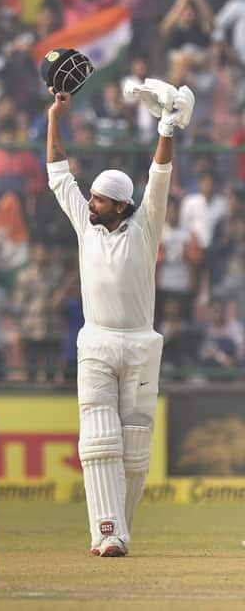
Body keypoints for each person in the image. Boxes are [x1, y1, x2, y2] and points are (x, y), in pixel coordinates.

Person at [46, 80, 194, 556]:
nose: (90, 203)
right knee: (99, 439)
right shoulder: (85, 224)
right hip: (97, 342)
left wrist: (167, 128)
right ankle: (105, 531)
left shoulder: (145, 225)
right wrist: (55, 117)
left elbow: (160, 176)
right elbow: (56, 175)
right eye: (90, 197)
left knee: (133, 448)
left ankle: (118, 533)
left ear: (121, 204)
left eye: (99, 200)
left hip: (140, 343)